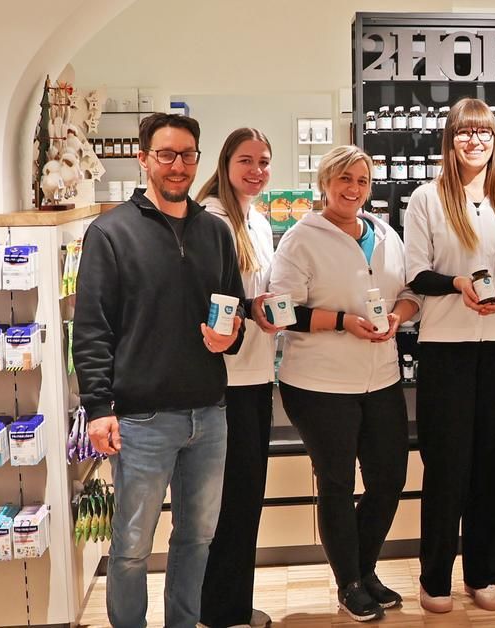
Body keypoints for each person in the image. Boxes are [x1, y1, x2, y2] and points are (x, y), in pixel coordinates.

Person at [73, 113, 246, 628]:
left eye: (187, 155)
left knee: (197, 538)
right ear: (143, 158)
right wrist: (99, 409)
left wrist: (229, 334)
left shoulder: (216, 232)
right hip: (142, 419)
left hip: (209, 414)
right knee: (130, 547)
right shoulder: (109, 233)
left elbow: (232, 305)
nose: (178, 165)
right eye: (166, 155)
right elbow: (92, 328)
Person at [404, 97, 495, 613]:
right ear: (450, 140)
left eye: (483, 133)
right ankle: (435, 577)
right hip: (446, 346)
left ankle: (485, 573)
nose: (474, 142)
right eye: (464, 133)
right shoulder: (425, 199)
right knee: (445, 464)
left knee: (492, 462)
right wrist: (458, 283)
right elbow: (416, 272)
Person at [268, 145, 420, 622]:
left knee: (389, 478)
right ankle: (349, 583)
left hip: (381, 378)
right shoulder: (300, 239)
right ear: (325, 184)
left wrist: (398, 315)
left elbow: (410, 292)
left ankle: (365, 568)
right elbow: (281, 310)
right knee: (336, 483)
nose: (353, 189)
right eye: (344, 180)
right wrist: (342, 322)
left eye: (361, 180)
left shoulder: (386, 234)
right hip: (319, 384)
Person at [196, 128, 276, 628]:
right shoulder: (211, 220)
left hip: (257, 372)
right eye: (246, 160)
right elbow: (209, 299)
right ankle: (218, 611)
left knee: (246, 497)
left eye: (264, 162)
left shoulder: (259, 220)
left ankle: (232, 605)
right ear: (226, 164)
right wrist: (253, 309)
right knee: (227, 501)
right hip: (225, 379)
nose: (257, 170)